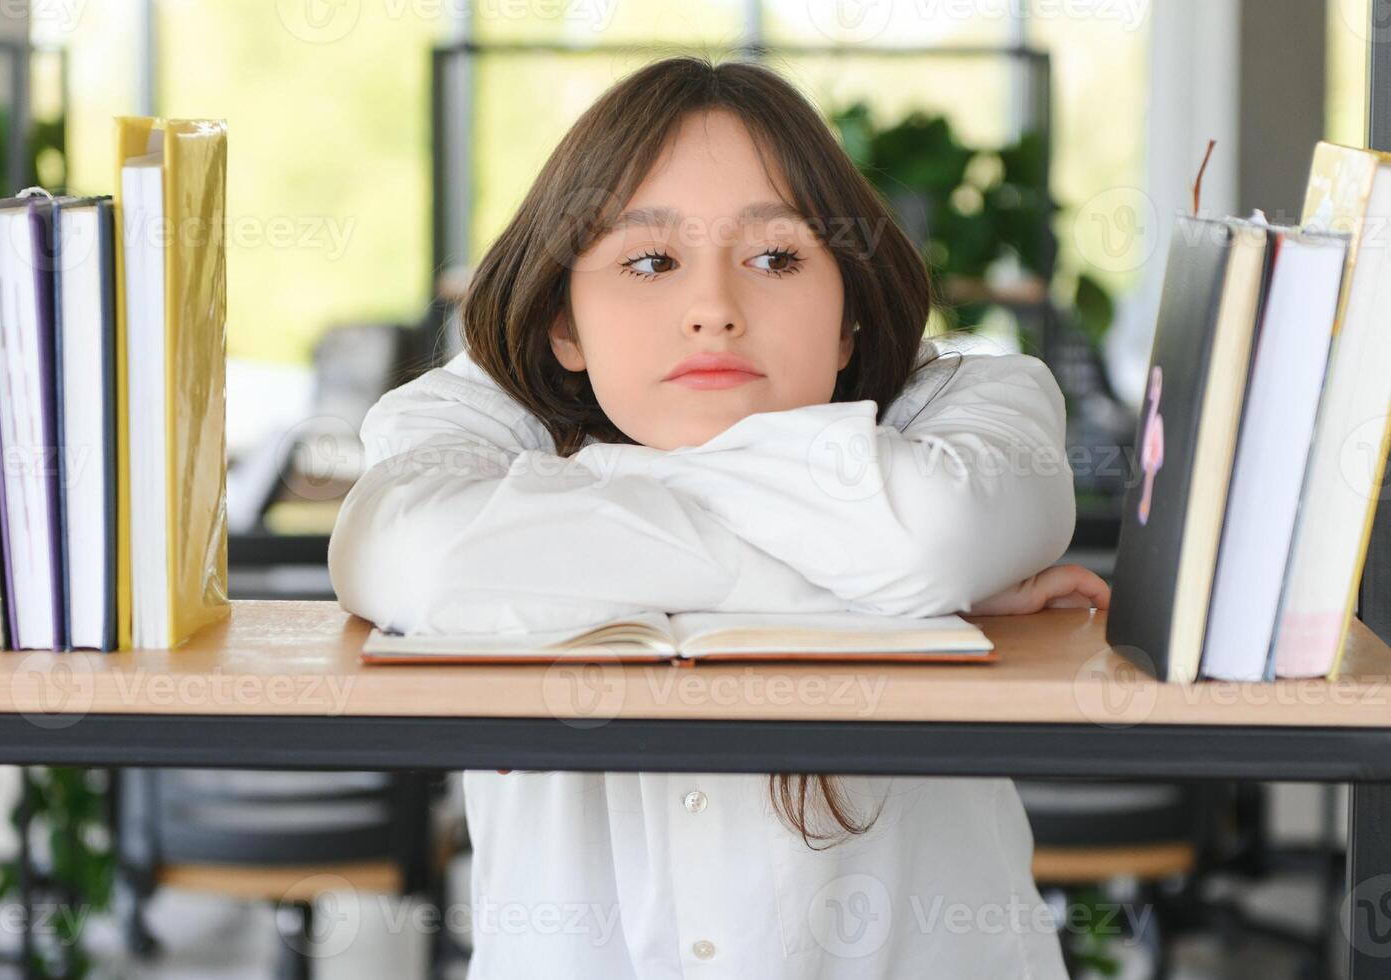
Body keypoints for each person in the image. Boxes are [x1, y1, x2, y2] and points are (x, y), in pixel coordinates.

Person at [329, 55, 1109, 979]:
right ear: (564, 324)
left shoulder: (977, 402)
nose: (712, 310)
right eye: (649, 260)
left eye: (775, 257)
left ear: (850, 315)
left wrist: (575, 501)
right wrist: (879, 591)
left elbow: (931, 538)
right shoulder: (475, 413)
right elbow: (421, 564)